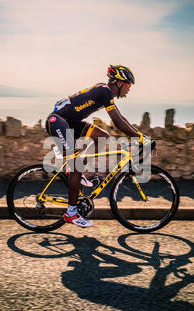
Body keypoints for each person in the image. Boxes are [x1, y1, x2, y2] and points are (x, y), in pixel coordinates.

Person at [45, 65, 151, 228]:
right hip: (58, 122)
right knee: (76, 166)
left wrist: (140, 136)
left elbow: (120, 118)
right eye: (128, 85)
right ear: (119, 83)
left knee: (103, 137)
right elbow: (118, 123)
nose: (129, 90)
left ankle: (81, 175)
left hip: (70, 122)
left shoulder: (105, 91)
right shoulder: (105, 91)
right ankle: (71, 213)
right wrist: (141, 138)